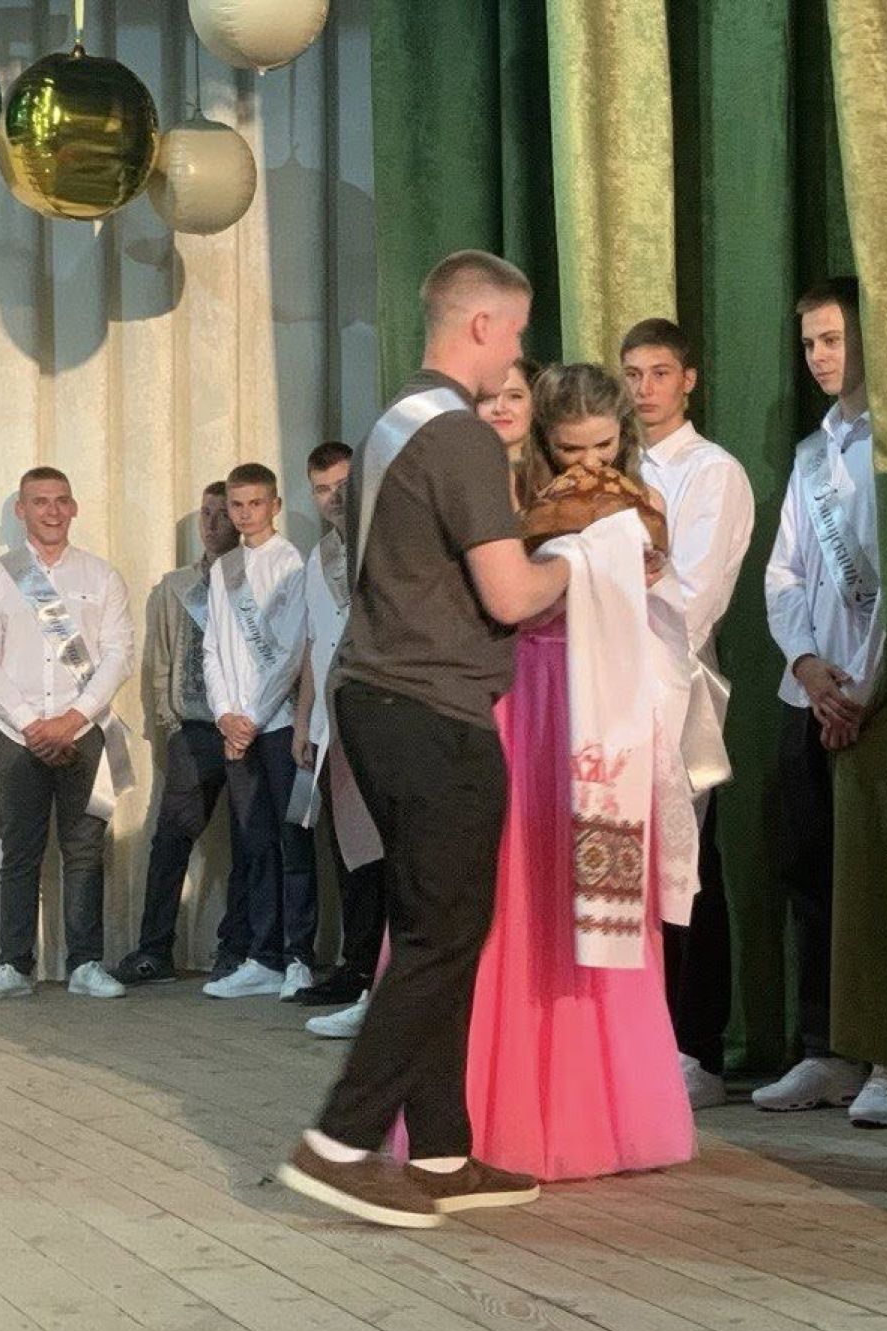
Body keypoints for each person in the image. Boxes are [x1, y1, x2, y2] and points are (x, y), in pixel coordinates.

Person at [277, 249, 569, 1229]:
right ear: (481, 325)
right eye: (515, 332)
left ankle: (440, 1151)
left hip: (376, 700)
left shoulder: (390, 426)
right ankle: (338, 1143)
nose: (517, 353)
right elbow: (511, 594)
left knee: (429, 931)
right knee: (446, 933)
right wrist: (581, 561)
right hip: (434, 710)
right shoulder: (460, 436)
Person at [426, 361, 699, 1181]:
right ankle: (501, 1113)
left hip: (607, 703)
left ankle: (603, 1115)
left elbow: (674, 601)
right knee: (516, 891)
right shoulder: (508, 493)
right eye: (571, 448)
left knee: (600, 892)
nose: (588, 463)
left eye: (603, 446)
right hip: (527, 697)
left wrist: (644, 574)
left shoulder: (644, 498)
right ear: (544, 439)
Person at [756, 277, 887, 1127]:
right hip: (810, 691)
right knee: (810, 871)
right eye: (810, 343)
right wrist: (809, 666)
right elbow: (783, 572)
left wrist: (858, 684)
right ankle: (826, 1050)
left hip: (876, 697)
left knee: (880, 879)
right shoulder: (812, 452)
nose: (820, 356)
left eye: (834, 339)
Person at [621, 317, 756, 1110]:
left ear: (690, 380)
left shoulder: (713, 473)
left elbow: (698, 598)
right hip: (608, 690)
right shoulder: (615, 468)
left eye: (660, 373)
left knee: (685, 870)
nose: (645, 390)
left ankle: (696, 1047)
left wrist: (637, 575)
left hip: (675, 690)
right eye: (633, 374)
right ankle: (631, 1038)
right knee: (621, 871)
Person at [0, 467, 133, 1003]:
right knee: (19, 853)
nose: (52, 511)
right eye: (40, 502)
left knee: (85, 850)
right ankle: (14, 966)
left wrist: (72, 719)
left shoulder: (101, 576)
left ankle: (85, 963)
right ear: (21, 510)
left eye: (61, 501)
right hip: (17, 736)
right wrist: (31, 723)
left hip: (84, 730)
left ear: (74, 507)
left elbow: (118, 656)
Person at [116, 484, 251, 985]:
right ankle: (155, 950)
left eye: (223, 514)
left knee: (248, 841)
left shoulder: (259, 578)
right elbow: (160, 662)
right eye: (206, 514)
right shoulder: (176, 587)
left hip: (249, 729)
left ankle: (237, 948)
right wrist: (170, 725)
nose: (213, 523)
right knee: (171, 838)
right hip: (193, 728)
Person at [202, 463, 315, 1001]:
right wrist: (225, 714)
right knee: (254, 844)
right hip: (238, 728)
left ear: (274, 505)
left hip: (279, 724)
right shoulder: (223, 568)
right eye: (236, 505)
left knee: (293, 843)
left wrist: (250, 718)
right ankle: (263, 957)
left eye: (255, 503)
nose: (245, 514)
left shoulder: (291, 563)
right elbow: (212, 647)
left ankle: (299, 958)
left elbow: (292, 651)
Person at [293, 441, 389, 1036]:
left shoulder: (385, 543)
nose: (334, 498)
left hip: (377, 717)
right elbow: (315, 641)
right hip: (331, 724)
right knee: (345, 854)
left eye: (343, 486)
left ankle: (378, 974)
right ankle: (355, 966)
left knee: (381, 854)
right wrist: (304, 720)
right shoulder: (318, 557)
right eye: (323, 489)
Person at [476, 357, 540, 509]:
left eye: (514, 396)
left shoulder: (561, 477)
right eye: (487, 398)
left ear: (536, 403)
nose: (499, 408)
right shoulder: (456, 477)